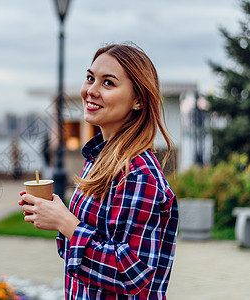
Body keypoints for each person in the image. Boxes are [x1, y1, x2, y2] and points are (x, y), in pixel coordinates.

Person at [19, 43, 178, 299]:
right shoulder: (97, 160)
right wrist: (55, 215)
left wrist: (66, 222)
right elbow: (77, 253)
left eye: (108, 83)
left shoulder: (139, 175)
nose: (91, 91)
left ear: (138, 100)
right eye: (90, 78)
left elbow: (130, 274)